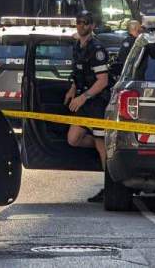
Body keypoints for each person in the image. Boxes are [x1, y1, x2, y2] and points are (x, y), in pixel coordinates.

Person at [63, 11, 110, 203]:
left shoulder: (96, 48)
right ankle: (106, 145)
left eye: (85, 23)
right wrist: (72, 89)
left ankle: (109, 186)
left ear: (92, 26)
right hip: (83, 99)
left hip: (97, 102)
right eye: (78, 22)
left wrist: (83, 97)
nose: (81, 25)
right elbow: (77, 72)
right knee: (73, 139)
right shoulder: (77, 45)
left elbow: (103, 81)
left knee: (101, 144)